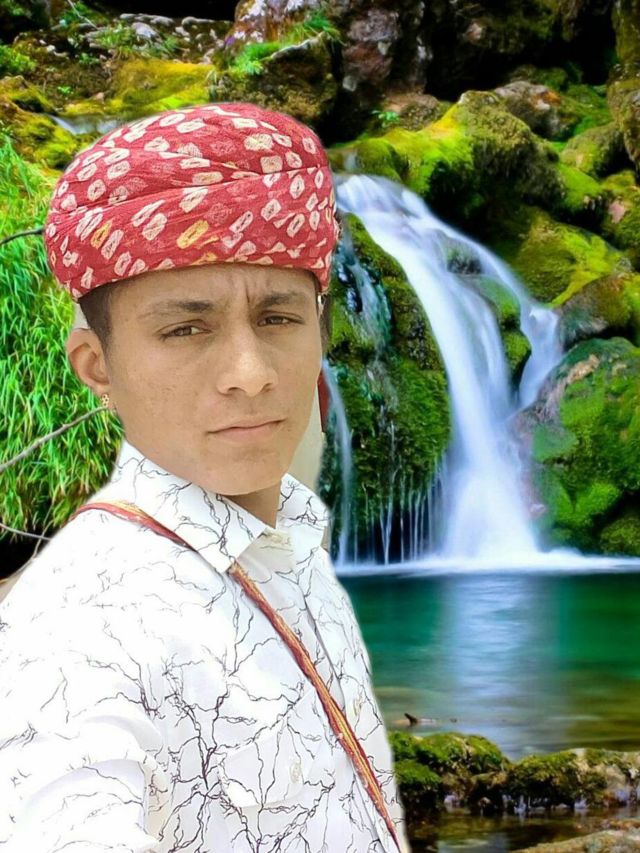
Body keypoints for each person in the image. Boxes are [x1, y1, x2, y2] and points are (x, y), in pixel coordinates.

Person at [0, 101, 411, 853]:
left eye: (279, 318)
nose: (251, 375)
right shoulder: (76, 634)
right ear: (97, 366)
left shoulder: (295, 553)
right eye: (185, 329)